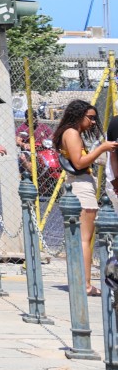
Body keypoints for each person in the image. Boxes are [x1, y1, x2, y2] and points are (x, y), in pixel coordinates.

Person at [57, 99, 117, 297]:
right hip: (81, 187)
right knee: (84, 239)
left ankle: (80, 281)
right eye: (90, 118)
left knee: (81, 238)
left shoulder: (70, 133)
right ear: (78, 115)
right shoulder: (72, 133)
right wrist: (101, 149)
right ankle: (85, 283)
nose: (93, 122)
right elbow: (79, 162)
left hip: (79, 184)